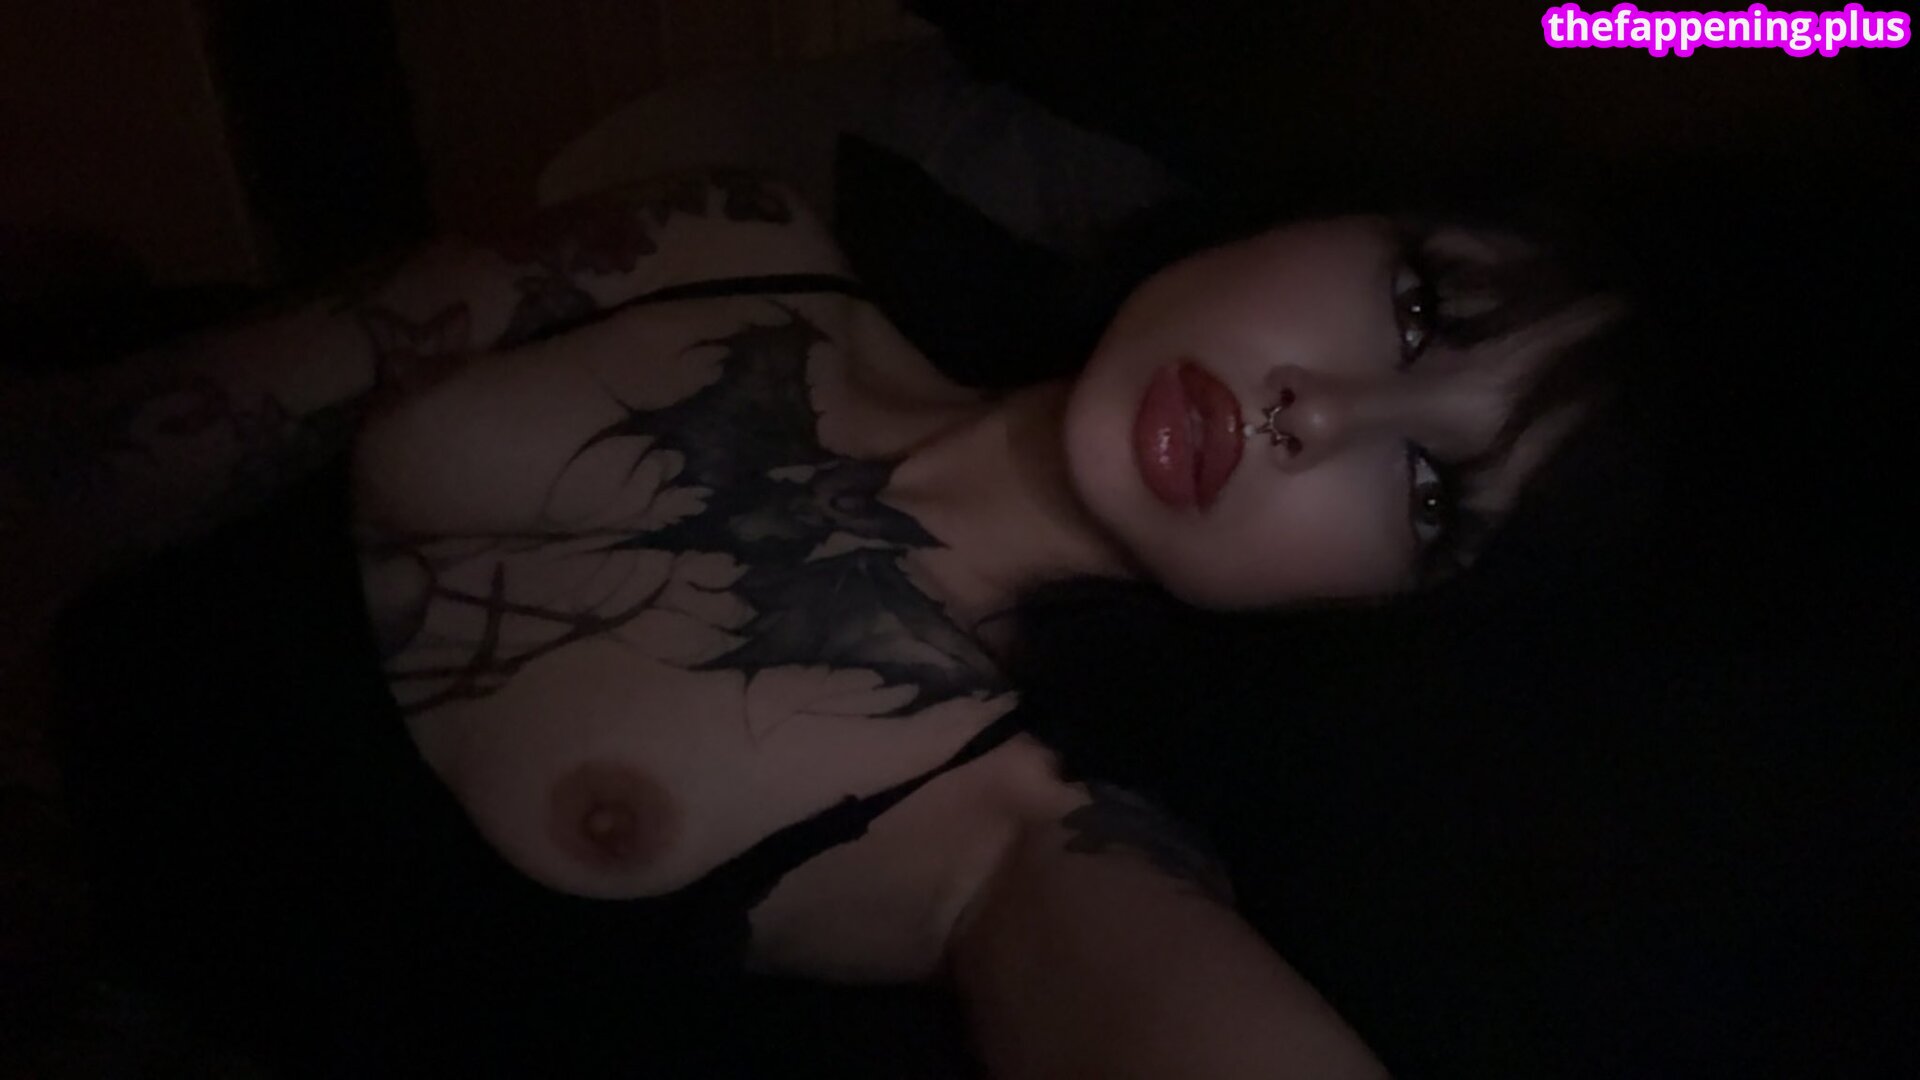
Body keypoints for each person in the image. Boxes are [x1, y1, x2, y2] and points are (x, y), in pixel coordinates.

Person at [17, 164, 1633, 1077]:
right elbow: (144, 433)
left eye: (1433, 498)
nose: (1317, 414)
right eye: (1416, 304)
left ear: (1387, 614)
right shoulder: (727, 242)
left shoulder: (1010, 839)